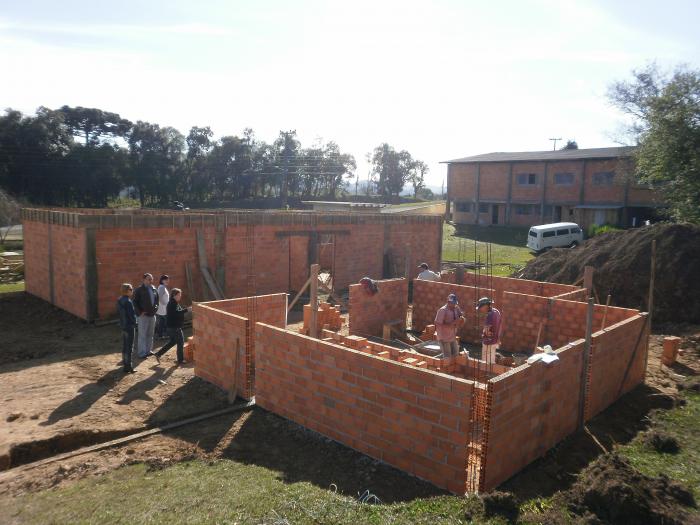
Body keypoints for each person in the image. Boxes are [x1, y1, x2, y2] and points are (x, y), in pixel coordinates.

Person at [152, 288, 189, 364]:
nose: (180, 296)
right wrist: (186, 310)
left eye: (180, 294)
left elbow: (178, 312)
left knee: (173, 342)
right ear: (174, 295)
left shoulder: (174, 302)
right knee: (180, 343)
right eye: (178, 295)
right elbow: (176, 314)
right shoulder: (172, 303)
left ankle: (158, 354)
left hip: (172, 327)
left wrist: (185, 310)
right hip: (174, 327)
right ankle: (180, 360)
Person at [133, 273, 159, 358]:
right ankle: (142, 353)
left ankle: (148, 350)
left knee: (150, 334)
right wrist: (140, 312)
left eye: (151, 279)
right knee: (142, 335)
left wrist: (155, 309)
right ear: (143, 279)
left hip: (152, 315)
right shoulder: (139, 290)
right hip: (143, 316)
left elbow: (156, 302)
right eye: (148, 279)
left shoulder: (154, 289)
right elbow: (135, 302)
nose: (150, 281)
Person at [434, 293, 464, 358]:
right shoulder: (442, 310)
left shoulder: (455, 308)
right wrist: (452, 323)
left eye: (455, 303)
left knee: (456, 355)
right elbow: (438, 324)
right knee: (447, 357)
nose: (454, 305)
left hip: (452, 336)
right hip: (444, 338)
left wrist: (461, 318)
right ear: (448, 302)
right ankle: (444, 367)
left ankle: (453, 367)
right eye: (453, 303)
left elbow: (461, 315)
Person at [117, 283, 137, 373]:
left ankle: (125, 363)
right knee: (130, 347)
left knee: (125, 346)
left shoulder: (120, 299)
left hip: (123, 326)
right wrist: (135, 323)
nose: (132, 291)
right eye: (131, 289)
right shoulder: (128, 302)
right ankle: (128, 366)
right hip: (129, 326)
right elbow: (131, 315)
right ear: (127, 290)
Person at [476, 297, 502, 364]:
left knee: (486, 363)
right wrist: (498, 338)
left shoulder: (490, 315)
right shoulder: (496, 311)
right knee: (491, 361)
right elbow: (500, 325)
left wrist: (484, 333)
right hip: (494, 341)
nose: (480, 310)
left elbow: (487, 331)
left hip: (488, 342)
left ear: (485, 306)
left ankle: (487, 374)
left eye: (480, 307)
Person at [155, 275, 170, 339]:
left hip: (162, 309)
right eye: (165, 280)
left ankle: (161, 335)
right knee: (164, 322)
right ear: (162, 280)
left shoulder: (163, 287)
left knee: (162, 322)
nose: (167, 281)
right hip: (163, 309)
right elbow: (159, 297)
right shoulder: (162, 287)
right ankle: (163, 335)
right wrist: (165, 304)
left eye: (168, 279)